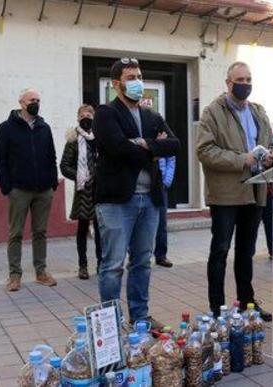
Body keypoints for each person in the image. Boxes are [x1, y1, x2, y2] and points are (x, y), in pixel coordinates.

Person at [94, 58, 180, 325]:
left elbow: (175, 145)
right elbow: (116, 148)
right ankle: (110, 323)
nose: (137, 82)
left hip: (150, 200)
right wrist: (154, 147)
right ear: (117, 83)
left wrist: (142, 144)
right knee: (113, 265)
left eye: (140, 76)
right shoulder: (106, 113)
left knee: (142, 262)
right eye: (131, 77)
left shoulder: (152, 116)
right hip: (117, 201)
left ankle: (140, 317)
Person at [196, 61, 273, 322]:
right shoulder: (212, 112)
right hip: (226, 194)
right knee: (220, 250)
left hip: (256, 191)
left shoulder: (258, 111)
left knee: (246, 251)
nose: (245, 84)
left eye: (248, 79)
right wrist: (242, 160)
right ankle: (218, 309)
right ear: (228, 83)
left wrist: (271, 156)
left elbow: (269, 143)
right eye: (239, 80)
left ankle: (247, 303)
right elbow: (205, 152)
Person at [0, 88, 59, 292]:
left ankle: (41, 272)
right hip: (19, 190)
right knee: (16, 233)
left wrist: (53, 182)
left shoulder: (44, 128)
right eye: (32, 100)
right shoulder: (6, 128)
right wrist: (8, 188)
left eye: (38, 100)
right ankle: (14, 275)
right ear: (21, 102)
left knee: (40, 232)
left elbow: (51, 156)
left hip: (43, 190)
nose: (36, 103)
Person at [60, 104, 102, 280]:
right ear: (78, 118)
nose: (86, 117)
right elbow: (64, 166)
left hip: (100, 189)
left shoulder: (100, 137)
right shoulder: (73, 139)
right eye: (83, 114)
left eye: (89, 114)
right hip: (83, 189)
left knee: (101, 229)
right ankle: (82, 265)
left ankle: (102, 263)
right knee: (82, 228)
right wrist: (79, 176)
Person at [154, 156, 175, 268]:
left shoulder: (167, 138)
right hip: (145, 182)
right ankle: (135, 257)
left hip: (161, 185)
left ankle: (161, 255)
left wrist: (166, 181)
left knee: (162, 222)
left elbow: (171, 161)